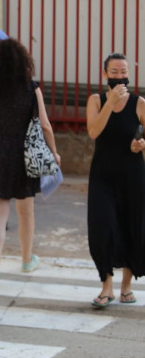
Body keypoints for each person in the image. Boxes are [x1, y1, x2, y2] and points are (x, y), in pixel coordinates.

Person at [0, 38, 60, 285]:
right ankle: (27, 259)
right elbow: (45, 125)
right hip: (24, 155)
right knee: (26, 211)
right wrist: (54, 152)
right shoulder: (31, 88)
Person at [85, 53, 145, 307]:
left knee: (132, 227)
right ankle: (106, 286)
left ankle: (126, 286)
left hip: (133, 176)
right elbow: (93, 131)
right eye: (114, 72)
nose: (120, 77)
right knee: (103, 228)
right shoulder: (96, 101)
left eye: (124, 72)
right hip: (103, 176)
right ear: (105, 74)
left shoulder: (139, 103)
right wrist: (110, 103)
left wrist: (141, 144)